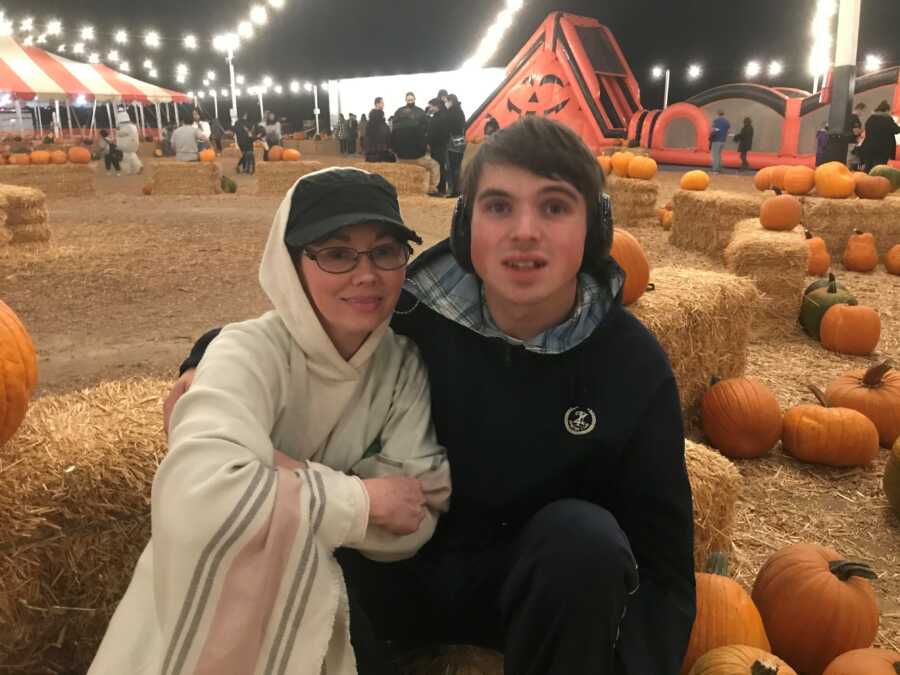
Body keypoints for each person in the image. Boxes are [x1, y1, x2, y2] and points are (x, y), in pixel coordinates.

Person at [164, 116, 696, 674]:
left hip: (527, 593)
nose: (524, 231)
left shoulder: (630, 365)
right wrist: (204, 360)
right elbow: (299, 330)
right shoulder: (416, 308)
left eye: (555, 207)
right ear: (466, 226)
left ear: (596, 228)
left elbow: (663, 562)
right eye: (498, 206)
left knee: (587, 542)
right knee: (294, 543)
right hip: (389, 572)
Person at [89, 167, 451, 674]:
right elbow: (201, 497)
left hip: (353, 602)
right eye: (336, 252)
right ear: (289, 264)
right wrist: (361, 500)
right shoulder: (246, 352)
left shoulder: (403, 365)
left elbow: (418, 513)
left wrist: (272, 471)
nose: (366, 273)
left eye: (386, 251)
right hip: (218, 595)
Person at [391, 92, 441, 196]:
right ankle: (432, 189)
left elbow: (393, 140)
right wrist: (422, 152)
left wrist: (396, 152)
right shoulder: (418, 120)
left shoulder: (396, 123)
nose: (410, 101)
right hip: (417, 157)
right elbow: (422, 139)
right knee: (435, 166)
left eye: (411, 100)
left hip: (401, 157)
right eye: (409, 100)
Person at [859, 100, 900, 170]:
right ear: (887, 110)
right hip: (882, 149)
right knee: (878, 170)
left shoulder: (871, 118)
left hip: (868, 147)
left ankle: (867, 179)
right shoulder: (887, 119)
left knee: (868, 168)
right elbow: (896, 130)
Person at [444, 93, 466, 198]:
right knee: (458, 166)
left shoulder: (450, 113)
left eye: (446, 101)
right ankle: (459, 189)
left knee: (451, 167)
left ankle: (452, 190)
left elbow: (448, 127)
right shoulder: (460, 111)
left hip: (452, 141)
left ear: (451, 101)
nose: (446, 104)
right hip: (461, 141)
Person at [427, 97, 449, 196]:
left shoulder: (442, 117)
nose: (430, 108)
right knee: (437, 167)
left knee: (439, 167)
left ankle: (440, 190)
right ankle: (437, 189)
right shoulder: (436, 116)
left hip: (439, 146)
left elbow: (442, 133)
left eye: (431, 106)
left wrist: (432, 141)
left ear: (437, 106)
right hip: (435, 146)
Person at [115, 110, 143, 175]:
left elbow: (120, 134)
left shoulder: (126, 127)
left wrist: (116, 131)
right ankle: (138, 166)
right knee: (131, 155)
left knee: (124, 157)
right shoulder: (133, 126)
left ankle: (125, 171)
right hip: (134, 145)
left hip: (127, 145)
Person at [848, 102, 867, 170]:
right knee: (852, 161)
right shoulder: (855, 118)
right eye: (863, 111)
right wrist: (864, 130)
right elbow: (855, 131)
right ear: (859, 109)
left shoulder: (849, 116)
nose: (863, 114)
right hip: (852, 143)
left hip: (849, 142)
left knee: (850, 161)